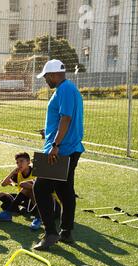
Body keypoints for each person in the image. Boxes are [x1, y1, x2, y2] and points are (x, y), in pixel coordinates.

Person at [32, 59, 85, 251]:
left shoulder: (64, 89)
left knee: (40, 188)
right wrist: (49, 133)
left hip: (61, 150)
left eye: (46, 76)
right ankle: (66, 232)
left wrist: (55, 144)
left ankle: (51, 233)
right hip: (67, 147)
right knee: (64, 190)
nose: (45, 80)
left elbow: (66, 118)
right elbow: (62, 119)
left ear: (54, 75)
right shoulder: (67, 89)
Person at [0, 152, 61, 231]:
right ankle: (12, 211)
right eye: (17, 162)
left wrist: (25, 185)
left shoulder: (37, 171)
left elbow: (45, 190)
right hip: (29, 200)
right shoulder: (18, 173)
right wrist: (13, 172)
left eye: (21, 161)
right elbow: (3, 184)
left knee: (29, 189)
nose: (19, 164)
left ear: (29, 162)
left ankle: (35, 216)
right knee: (1, 194)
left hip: (52, 207)